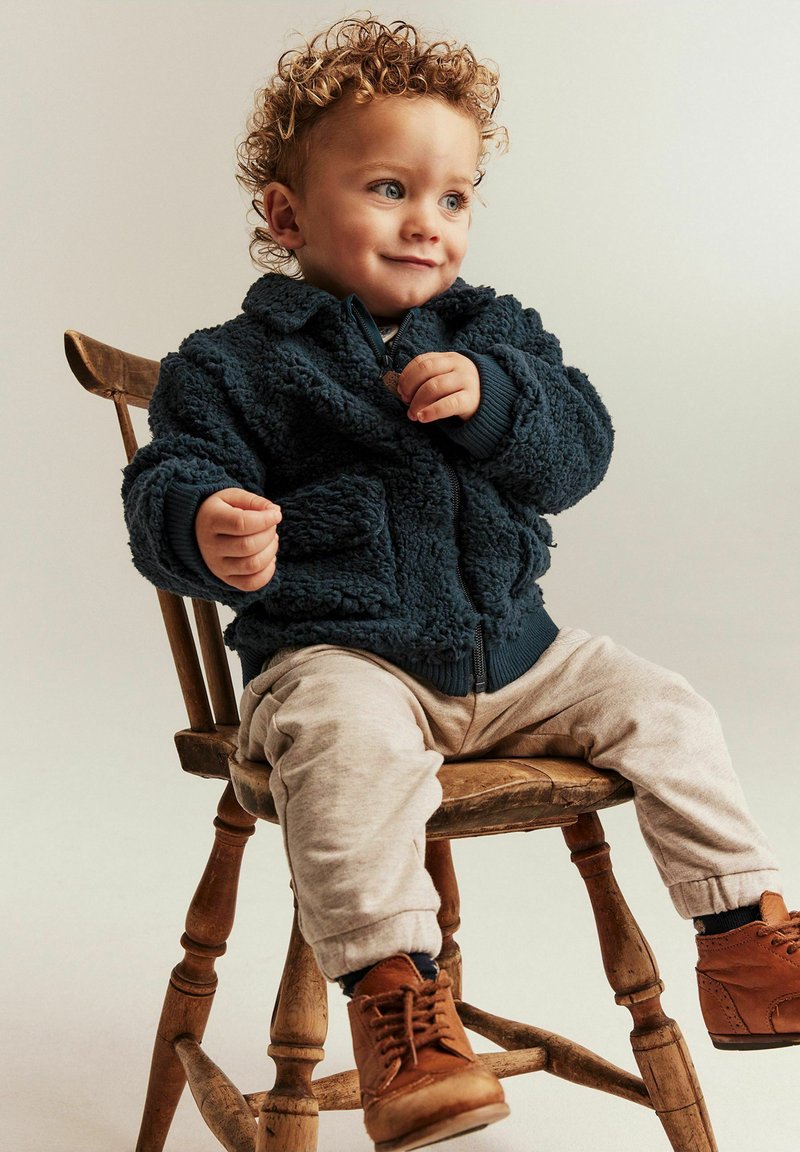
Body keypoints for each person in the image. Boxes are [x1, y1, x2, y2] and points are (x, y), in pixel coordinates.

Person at [122, 16, 800, 1151]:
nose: (425, 223)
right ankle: (399, 1004)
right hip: (339, 659)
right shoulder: (232, 364)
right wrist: (203, 521)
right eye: (388, 188)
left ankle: (743, 941)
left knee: (665, 705)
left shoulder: (497, 332)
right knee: (348, 748)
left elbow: (577, 451)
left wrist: (496, 399)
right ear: (286, 215)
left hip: (520, 657)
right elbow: (169, 477)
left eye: (453, 197)